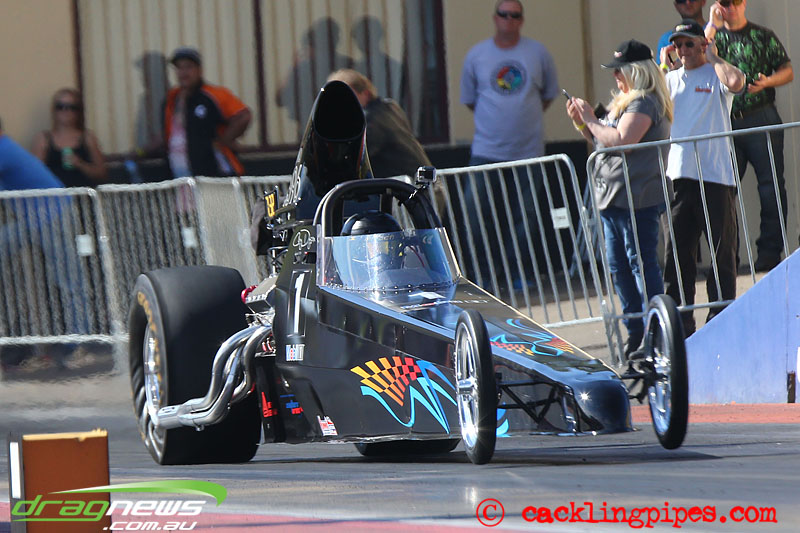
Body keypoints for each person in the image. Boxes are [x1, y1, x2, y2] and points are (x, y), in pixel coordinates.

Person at [566, 40, 673, 357]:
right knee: (618, 266)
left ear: (636, 71)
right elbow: (602, 139)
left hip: (637, 197)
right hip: (613, 198)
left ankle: (655, 330)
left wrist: (591, 119)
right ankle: (636, 331)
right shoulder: (624, 102)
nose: (615, 76)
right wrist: (582, 121)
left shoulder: (645, 102)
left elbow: (622, 140)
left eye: (619, 70)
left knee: (640, 263)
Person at [661, 19, 745, 335]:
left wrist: (713, 57)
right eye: (677, 44)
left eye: (688, 43)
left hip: (715, 175)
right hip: (680, 175)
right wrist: (663, 65)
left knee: (722, 252)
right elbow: (649, 100)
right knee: (677, 253)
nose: (682, 49)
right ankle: (680, 325)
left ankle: (720, 320)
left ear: (702, 44)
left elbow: (736, 82)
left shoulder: (715, 72)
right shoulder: (670, 79)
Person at [706, 0, 794, 272]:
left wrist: (768, 82)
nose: (730, 7)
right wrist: (711, 25)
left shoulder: (762, 35)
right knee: (723, 191)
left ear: (744, 3)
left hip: (760, 115)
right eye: (724, 3)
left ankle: (769, 253)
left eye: (735, 2)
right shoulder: (712, 38)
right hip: (726, 121)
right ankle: (727, 257)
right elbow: (697, 54)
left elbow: (787, 71)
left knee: (771, 187)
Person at [460, 0, 558, 165]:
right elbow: (470, 100)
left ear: (522, 20)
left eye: (515, 15)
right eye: (503, 14)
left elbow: (548, 95)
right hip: (486, 151)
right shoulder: (476, 55)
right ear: (495, 18)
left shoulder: (539, 53)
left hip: (529, 152)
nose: (509, 19)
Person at [163, 47, 252, 178]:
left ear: (199, 70)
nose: (183, 72)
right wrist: (141, 152)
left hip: (214, 171)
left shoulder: (213, 94)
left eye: (188, 67)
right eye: (179, 68)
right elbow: (168, 133)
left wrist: (224, 140)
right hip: (181, 172)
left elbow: (243, 116)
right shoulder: (172, 98)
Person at [326, 69, 430, 179]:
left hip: (406, 184)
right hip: (421, 179)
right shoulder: (389, 107)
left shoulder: (370, 119)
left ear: (366, 94)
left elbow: (356, 155)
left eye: (346, 96)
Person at [31, 88, 107, 187]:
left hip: (82, 193)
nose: (66, 111)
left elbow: (102, 174)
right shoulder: (43, 139)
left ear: (78, 112)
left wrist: (80, 164)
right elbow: (35, 174)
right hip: (55, 193)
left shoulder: (88, 138)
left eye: (72, 107)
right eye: (60, 107)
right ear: (54, 111)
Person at [656, 0, 707, 66]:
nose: (687, 2)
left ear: (703, 1)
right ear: (676, 6)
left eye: (689, 44)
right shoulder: (666, 39)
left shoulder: (717, 31)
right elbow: (662, 69)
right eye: (678, 45)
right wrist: (666, 67)